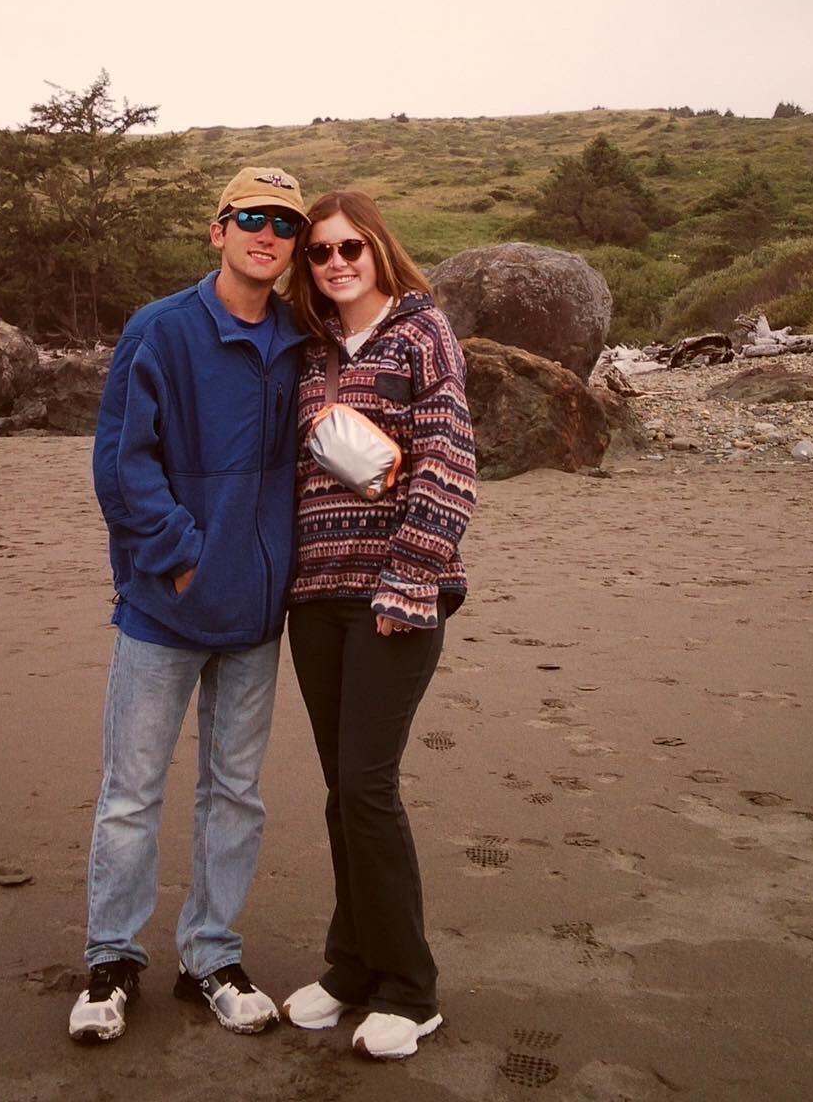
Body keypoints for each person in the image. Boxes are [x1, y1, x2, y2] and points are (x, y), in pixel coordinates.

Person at [69, 166, 309, 1046]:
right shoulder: (161, 330)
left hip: (256, 615)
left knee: (235, 792)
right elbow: (120, 464)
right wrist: (179, 560)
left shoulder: (297, 340)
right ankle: (110, 960)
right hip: (163, 611)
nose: (267, 235)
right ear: (218, 230)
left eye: (285, 225)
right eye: (251, 217)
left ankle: (210, 955)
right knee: (131, 793)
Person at [280, 189, 476, 1061]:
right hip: (315, 596)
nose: (336, 263)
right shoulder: (306, 351)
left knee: (367, 785)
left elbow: (447, 458)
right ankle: (351, 964)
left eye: (350, 247)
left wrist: (410, 576)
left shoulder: (422, 332)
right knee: (340, 790)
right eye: (319, 253)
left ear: (380, 249)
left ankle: (410, 986)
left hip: (396, 595)